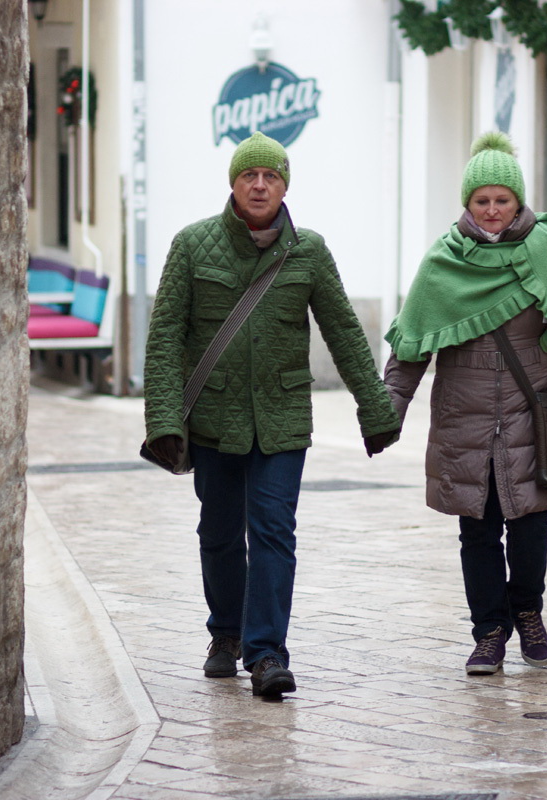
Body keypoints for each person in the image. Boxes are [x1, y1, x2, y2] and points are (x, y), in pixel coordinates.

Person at [144, 131, 401, 698]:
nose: (260, 185)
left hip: (283, 419)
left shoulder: (308, 250)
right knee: (218, 533)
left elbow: (344, 332)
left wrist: (374, 406)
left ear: (284, 185)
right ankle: (225, 634)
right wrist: (164, 420)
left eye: (271, 176)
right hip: (212, 419)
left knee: (273, 532)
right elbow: (164, 336)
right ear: (233, 184)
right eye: (248, 176)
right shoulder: (192, 245)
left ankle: (266, 654)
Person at [383, 132, 547, 676]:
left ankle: (528, 612)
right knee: (477, 530)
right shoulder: (442, 263)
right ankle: (488, 633)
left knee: (532, 526)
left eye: (501, 200)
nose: (491, 211)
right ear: (467, 203)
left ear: (518, 201)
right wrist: (386, 412)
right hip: (464, 421)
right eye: (481, 201)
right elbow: (412, 344)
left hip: (533, 415)